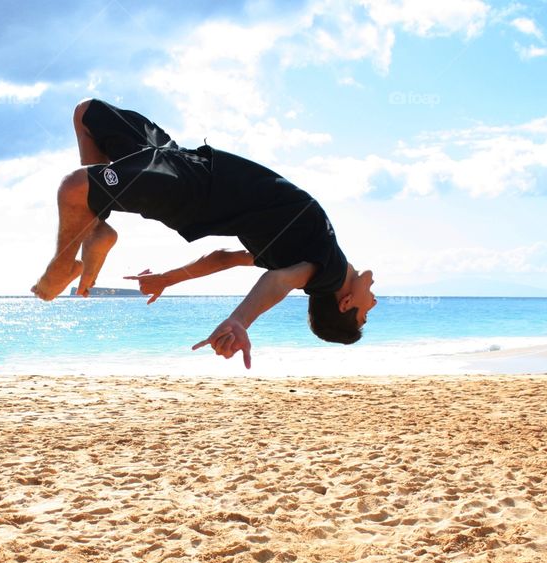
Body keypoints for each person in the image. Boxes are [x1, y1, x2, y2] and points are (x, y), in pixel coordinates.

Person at [32, 99, 376, 369]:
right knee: (87, 114)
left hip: (190, 189)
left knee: (74, 188)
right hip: (188, 162)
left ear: (345, 303)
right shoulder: (308, 250)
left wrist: (240, 320)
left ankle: (62, 265)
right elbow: (226, 259)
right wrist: (167, 279)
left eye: (365, 313)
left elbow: (279, 282)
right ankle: (96, 229)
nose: (373, 302)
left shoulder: (327, 273)